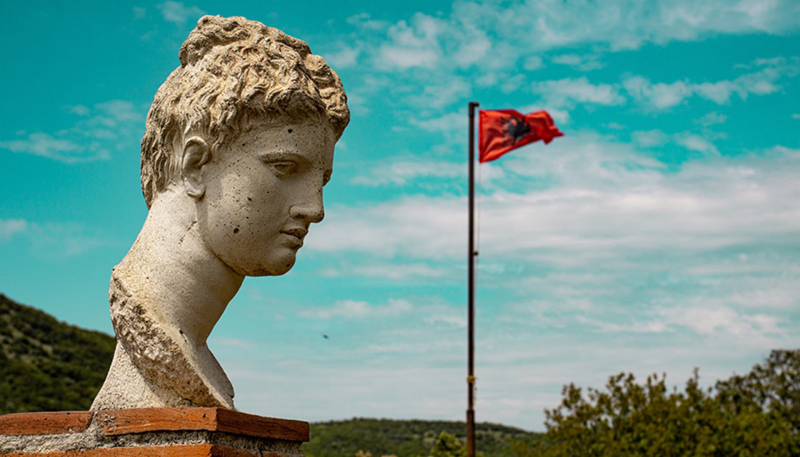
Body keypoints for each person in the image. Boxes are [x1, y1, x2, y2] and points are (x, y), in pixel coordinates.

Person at [91, 15, 349, 410]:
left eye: (322, 182)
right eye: (285, 168)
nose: (315, 209)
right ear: (196, 166)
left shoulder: (194, 352)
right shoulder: (164, 343)